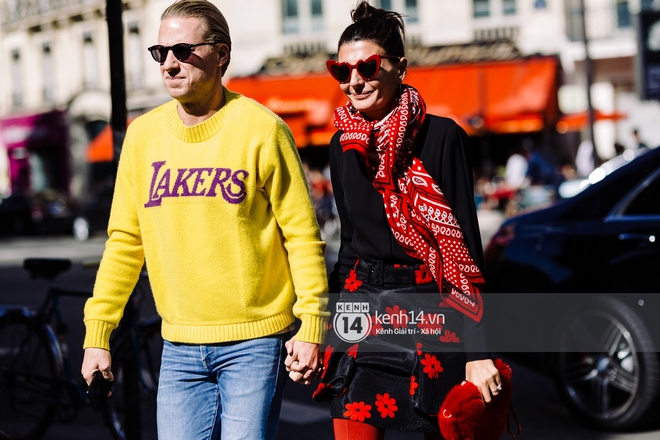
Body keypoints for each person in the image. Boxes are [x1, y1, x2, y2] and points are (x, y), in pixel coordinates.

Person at [80, 1, 328, 439]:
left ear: (221, 54)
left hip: (254, 342)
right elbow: (124, 242)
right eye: (160, 52)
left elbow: (303, 237)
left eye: (182, 49)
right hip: (177, 346)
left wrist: (313, 324)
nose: (170, 63)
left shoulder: (262, 129)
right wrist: (98, 334)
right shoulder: (142, 136)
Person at [312, 2, 500, 439]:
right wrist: (322, 331)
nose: (354, 81)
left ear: (400, 68)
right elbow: (350, 247)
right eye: (342, 71)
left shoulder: (442, 136)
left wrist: (480, 351)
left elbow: (464, 253)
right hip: (364, 302)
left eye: (368, 66)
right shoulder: (342, 145)